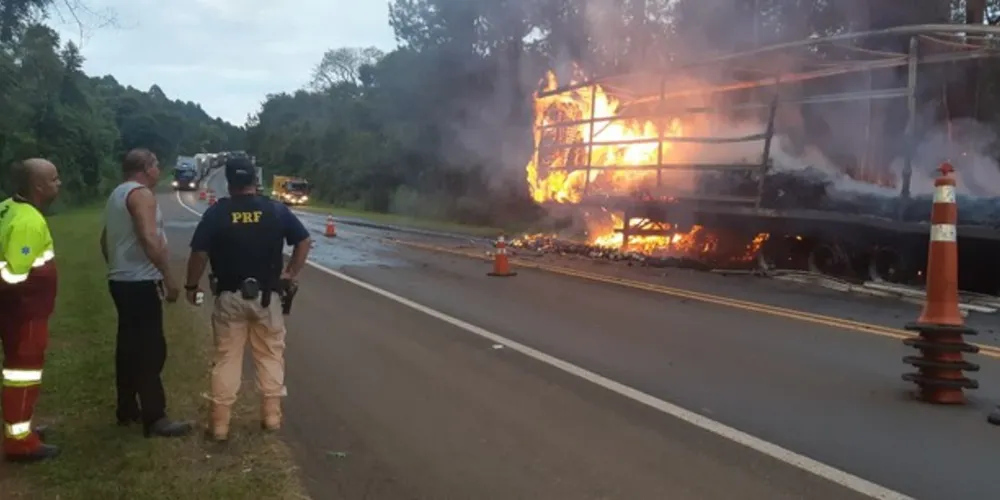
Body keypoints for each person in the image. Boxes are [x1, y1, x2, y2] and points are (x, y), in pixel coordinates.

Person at [184, 155, 311, 442]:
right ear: (255, 180)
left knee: (227, 358)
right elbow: (303, 240)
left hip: (229, 297)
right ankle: (271, 417)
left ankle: (219, 425)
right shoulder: (276, 211)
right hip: (268, 297)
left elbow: (199, 254)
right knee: (270, 355)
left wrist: (191, 286)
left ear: (229, 183)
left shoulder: (217, 213)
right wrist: (290, 272)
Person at [100, 148, 192, 438]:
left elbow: (105, 240)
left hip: (121, 279)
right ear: (144, 168)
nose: (159, 169)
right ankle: (155, 416)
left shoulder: (117, 194)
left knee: (127, 347)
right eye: (155, 165)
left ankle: (126, 408)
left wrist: (117, 266)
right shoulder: (141, 195)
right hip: (141, 282)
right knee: (150, 349)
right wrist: (167, 276)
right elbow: (148, 236)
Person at [0, 159, 62, 463]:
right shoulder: (28, 221)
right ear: (38, 186)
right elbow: (13, 275)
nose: (59, 183)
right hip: (24, 311)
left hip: (16, 311)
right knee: (22, 374)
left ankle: (23, 427)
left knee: (20, 373)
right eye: (53, 179)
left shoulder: (7, 207)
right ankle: (20, 440)